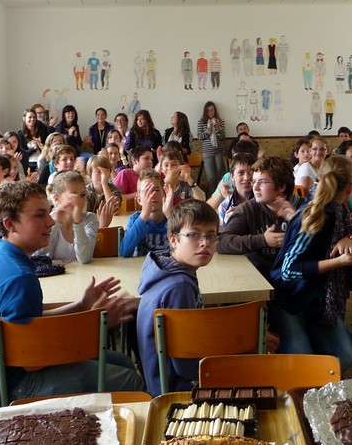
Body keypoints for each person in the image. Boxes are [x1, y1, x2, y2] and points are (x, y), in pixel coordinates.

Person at [0, 181, 144, 411]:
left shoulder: (0, 256)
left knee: (121, 362)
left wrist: (82, 306)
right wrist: (97, 326)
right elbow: (33, 360)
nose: (51, 221)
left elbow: (31, 325)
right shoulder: (17, 277)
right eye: (39, 215)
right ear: (9, 224)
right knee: (131, 382)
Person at [269, 156, 352, 371]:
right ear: (350, 189)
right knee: (303, 363)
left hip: (319, 304)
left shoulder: (340, 212)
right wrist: (338, 261)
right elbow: (287, 272)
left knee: (342, 356)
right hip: (289, 301)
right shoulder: (312, 217)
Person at [137, 199, 220, 396]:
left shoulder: (163, 268)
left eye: (211, 235)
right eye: (193, 235)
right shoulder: (179, 288)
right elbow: (186, 365)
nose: (204, 243)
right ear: (173, 240)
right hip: (176, 392)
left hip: (160, 381)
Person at [218, 156, 301, 277]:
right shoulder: (248, 209)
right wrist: (263, 240)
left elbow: (321, 248)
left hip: (297, 277)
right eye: (254, 181)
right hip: (261, 278)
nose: (255, 187)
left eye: (262, 182)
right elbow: (222, 242)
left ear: (282, 186)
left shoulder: (304, 208)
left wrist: (298, 222)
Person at [34, 171, 98, 264]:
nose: (79, 200)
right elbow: (38, 254)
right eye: (73, 196)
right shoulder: (49, 219)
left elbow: (85, 258)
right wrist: (55, 224)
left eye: (83, 195)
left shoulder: (90, 219)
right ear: (57, 199)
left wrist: (78, 223)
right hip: (54, 275)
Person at [120, 170, 169, 257]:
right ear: (139, 200)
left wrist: (170, 216)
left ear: (164, 194)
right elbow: (124, 252)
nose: (152, 195)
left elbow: (187, 252)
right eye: (146, 191)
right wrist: (145, 214)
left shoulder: (175, 218)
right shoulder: (134, 220)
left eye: (156, 190)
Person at [209, 152, 256, 227]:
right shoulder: (225, 206)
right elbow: (226, 237)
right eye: (241, 173)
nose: (247, 177)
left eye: (251, 172)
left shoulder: (264, 202)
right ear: (232, 176)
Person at [84, 154, 123, 228]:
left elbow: (115, 209)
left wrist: (104, 183)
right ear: (90, 175)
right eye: (98, 172)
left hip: (112, 225)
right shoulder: (85, 192)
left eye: (105, 171)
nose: (103, 175)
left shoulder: (114, 189)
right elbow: (85, 216)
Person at [197, 101, 227, 198]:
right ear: (205, 111)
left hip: (219, 151)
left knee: (219, 176)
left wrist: (218, 128)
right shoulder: (201, 122)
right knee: (210, 178)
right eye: (208, 110)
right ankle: (211, 199)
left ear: (215, 110)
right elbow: (200, 137)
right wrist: (209, 130)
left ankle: (219, 198)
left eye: (212, 109)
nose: (210, 112)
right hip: (207, 152)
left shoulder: (220, 121)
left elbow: (222, 137)